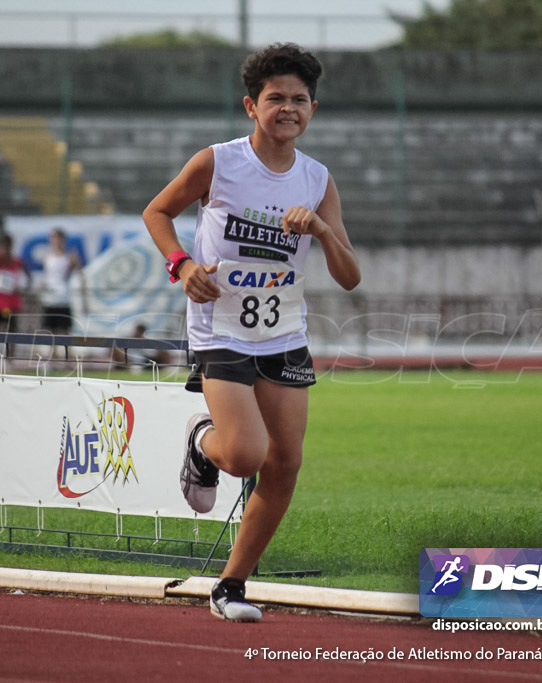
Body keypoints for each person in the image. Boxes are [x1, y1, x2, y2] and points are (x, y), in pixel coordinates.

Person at [143, 43, 360, 622]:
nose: (287, 108)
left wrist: (320, 229)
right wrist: (183, 266)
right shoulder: (220, 162)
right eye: (275, 99)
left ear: (313, 108)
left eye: (299, 100)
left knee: (284, 462)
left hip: (284, 334)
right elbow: (157, 212)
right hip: (221, 329)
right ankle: (201, 442)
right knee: (244, 454)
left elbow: (349, 275)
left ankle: (230, 586)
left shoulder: (317, 180)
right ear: (251, 105)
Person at [0, 233, 29, 360]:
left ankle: (10, 357)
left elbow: (26, 275)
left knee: (11, 329)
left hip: (11, 302)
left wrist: (22, 286)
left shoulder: (17, 261)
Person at [39, 228, 84, 345]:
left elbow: (78, 272)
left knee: (65, 329)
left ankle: (67, 355)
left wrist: (75, 263)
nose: (56, 241)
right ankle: (52, 355)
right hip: (50, 296)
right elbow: (47, 275)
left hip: (63, 296)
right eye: (53, 238)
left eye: (58, 238)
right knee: (50, 329)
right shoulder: (47, 256)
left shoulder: (69, 256)